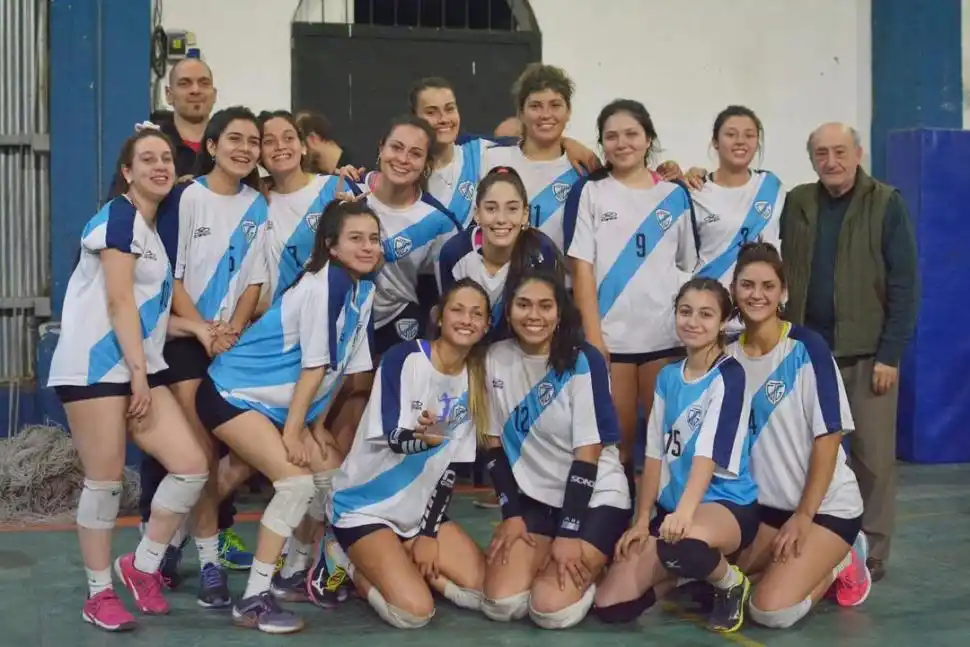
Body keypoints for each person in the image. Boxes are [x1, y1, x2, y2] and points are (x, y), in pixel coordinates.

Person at [47, 126, 211, 631]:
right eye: (147, 159)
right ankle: (99, 594)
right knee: (105, 482)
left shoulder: (151, 232)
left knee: (191, 466)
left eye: (166, 158)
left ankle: (141, 566)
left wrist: (200, 329)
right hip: (97, 369)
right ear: (127, 172)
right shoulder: (118, 220)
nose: (159, 166)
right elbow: (118, 300)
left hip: (138, 365)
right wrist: (140, 376)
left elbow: (147, 312)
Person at [194, 198, 383, 633]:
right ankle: (252, 600)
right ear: (331, 246)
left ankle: (292, 572)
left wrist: (316, 426)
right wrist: (295, 431)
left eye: (374, 239)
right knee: (294, 483)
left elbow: (341, 370)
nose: (368, 246)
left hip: (281, 404)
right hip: (232, 391)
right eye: (356, 238)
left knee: (330, 479)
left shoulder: (364, 289)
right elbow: (312, 364)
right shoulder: (323, 286)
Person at [779, 122, 918, 582]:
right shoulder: (798, 202)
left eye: (840, 151)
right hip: (807, 354)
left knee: (872, 459)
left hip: (866, 356)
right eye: (821, 153)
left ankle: (873, 550)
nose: (831, 161)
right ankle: (818, 541)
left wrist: (890, 354)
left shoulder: (886, 202)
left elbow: (904, 284)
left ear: (858, 153)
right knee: (806, 454)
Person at [593, 277, 758, 633]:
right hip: (676, 512)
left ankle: (730, 584)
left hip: (725, 504)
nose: (693, 322)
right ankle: (688, 575)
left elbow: (706, 455)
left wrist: (683, 513)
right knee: (611, 605)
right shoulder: (668, 376)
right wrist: (641, 521)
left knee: (680, 544)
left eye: (705, 314)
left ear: (722, 323)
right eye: (685, 312)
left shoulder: (729, 376)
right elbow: (654, 453)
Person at [325, 279, 492, 629]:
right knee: (414, 613)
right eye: (458, 310)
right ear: (440, 317)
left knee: (487, 593)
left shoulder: (474, 377)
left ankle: (402, 553)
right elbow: (394, 437)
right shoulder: (405, 358)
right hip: (364, 508)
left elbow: (449, 471)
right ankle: (345, 560)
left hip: (417, 515)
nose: (467, 319)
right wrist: (425, 440)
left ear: (486, 325)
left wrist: (428, 534)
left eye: (477, 313)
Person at [728, 242, 871, 628]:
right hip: (768, 511)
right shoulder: (727, 357)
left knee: (770, 610)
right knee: (712, 580)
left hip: (824, 509)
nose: (757, 294)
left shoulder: (807, 349)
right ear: (733, 291)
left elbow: (829, 437)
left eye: (768, 286)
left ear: (783, 293)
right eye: (747, 285)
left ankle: (843, 557)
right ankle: (793, 564)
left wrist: (805, 515)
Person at [479, 268, 629, 629]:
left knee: (549, 610)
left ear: (560, 313)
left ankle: (599, 561)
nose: (534, 316)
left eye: (545, 306)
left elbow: (588, 454)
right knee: (501, 603)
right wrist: (511, 514)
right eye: (523, 305)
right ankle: (550, 557)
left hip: (594, 499)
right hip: (537, 500)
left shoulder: (583, 360)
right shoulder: (493, 358)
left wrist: (569, 532)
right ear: (509, 310)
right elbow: (493, 442)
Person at [565, 99, 698, 495]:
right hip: (611, 343)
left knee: (666, 447)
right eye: (611, 136)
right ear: (602, 144)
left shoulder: (674, 196)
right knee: (616, 448)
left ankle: (661, 533)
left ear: (648, 139)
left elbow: (686, 263)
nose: (622, 143)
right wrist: (594, 337)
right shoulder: (589, 192)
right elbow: (581, 269)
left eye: (631, 134)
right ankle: (616, 530)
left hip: (665, 341)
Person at [165, 106, 269, 603]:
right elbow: (175, 278)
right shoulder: (187, 198)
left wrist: (235, 329)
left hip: (233, 344)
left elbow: (254, 280)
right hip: (187, 342)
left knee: (248, 450)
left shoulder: (259, 205)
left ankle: (171, 539)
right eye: (235, 139)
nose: (245, 148)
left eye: (253, 141)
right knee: (201, 455)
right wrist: (204, 331)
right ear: (211, 145)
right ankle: (208, 565)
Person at [436, 165, 561, 339]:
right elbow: (449, 319)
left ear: (525, 214)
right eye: (491, 208)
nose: (501, 219)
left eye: (512, 209)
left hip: (520, 351)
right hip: (468, 351)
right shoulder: (454, 253)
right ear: (477, 214)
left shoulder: (541, 252)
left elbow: (547, 322)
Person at [482, 63, 586, 253]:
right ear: (520, 113)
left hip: (562, 281)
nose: (546, 115)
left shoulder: (582, 171)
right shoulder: (491, 158)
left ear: (568, 111)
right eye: (535, 106)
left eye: (555, 105)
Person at [258, 110, 359, 302]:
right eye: (269, 141)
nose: (280, 146)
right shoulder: (256, 200)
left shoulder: (333, 187)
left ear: (303, 146)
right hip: (281, 316)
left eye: (288, 138)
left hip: (336, 308)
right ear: (259, 154)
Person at [684, 106, 785, 295]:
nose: (740, 141)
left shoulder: (772, 186)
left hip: (761, 303)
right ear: (715, 141)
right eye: (731, 134)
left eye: (749, 135)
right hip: (711, 305)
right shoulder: (695, 191)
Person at [295, 109, 357, 174]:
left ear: (313, 139)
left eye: (302, 145)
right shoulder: (319, 178)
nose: (301, 153)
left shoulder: (357, 169)